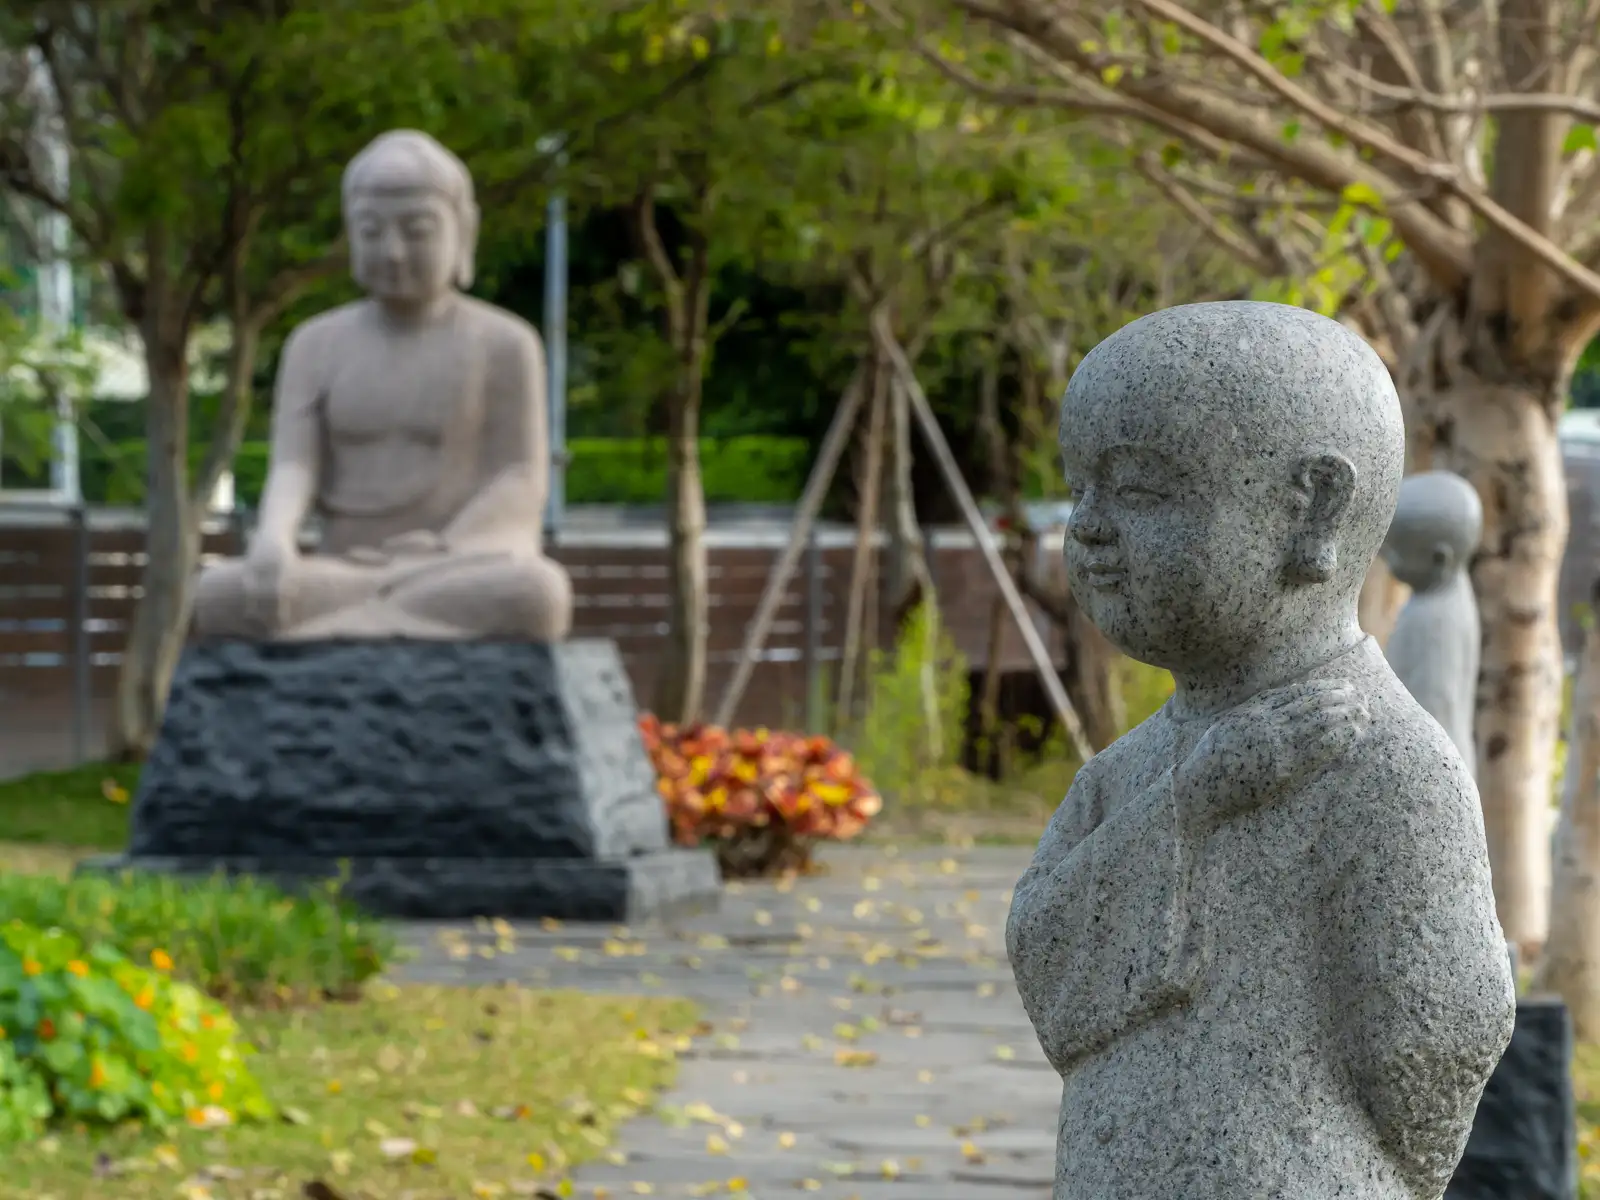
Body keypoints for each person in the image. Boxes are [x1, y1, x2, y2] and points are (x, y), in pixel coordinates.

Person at [1008, 301, 1514, 1200]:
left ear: (1312, 509)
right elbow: (1046, 963)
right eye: (1080, 487)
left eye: (1139, 491)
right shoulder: (1126, 772)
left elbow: (1445, 1031)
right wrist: (1190, 803)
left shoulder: (1388, 764)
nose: (1086, 527)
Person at [194, 129, 572, 641]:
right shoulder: (314, 344)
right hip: (342, 565)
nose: (392, 253)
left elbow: (520, 477)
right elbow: (295, 464)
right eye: (371, 231)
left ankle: (359, 624)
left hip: (452, 566)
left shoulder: (504, 344)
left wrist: (445, 552)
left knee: (538, 595)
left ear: (463, 233)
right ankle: (386, 617)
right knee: (216, 596)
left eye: (417, 232)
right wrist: (275, 541)